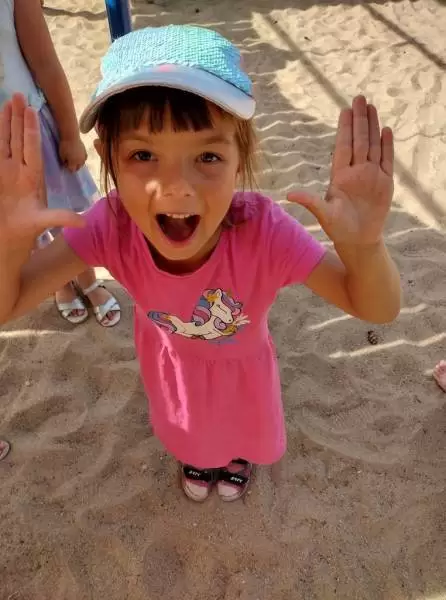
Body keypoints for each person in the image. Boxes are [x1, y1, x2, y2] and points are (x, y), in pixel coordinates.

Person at [0, 25, 401, 502]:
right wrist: (10, 242)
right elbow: (9, 304)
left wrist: (363, 246)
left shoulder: (265, 232)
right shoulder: (111, 226)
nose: (176, 187)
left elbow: (376, 308)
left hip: (244, 374)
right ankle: (198, 455)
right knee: (190, 431)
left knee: (241, 429)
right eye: (143, 154)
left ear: (240, 159)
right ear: (109, 156)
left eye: (207, 156)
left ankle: (237, 457)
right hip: (173, 371)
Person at [0, 0, 120, 326]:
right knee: (23, 223)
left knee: (64, 212)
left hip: (31, 129)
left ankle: (87, 277)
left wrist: (69, 135)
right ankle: (58, 282)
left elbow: (46, 65)